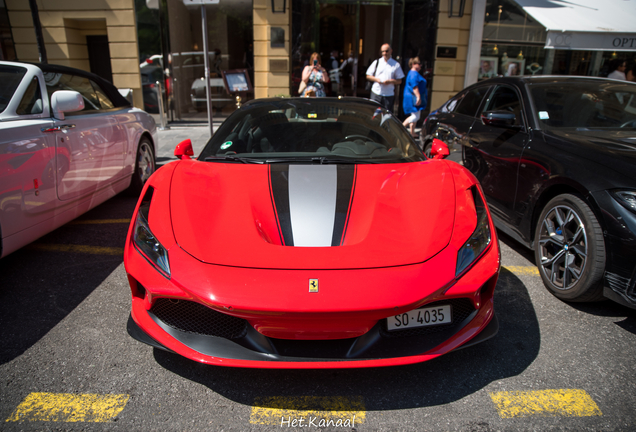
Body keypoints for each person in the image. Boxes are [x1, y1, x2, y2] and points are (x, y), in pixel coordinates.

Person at [366, 43, 405, 112]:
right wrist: (377, 79)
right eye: (382, 51)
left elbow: (399, 80)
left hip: (388, 94)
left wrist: (390, 81)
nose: (384, 53)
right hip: (376, 93)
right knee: (374, 113)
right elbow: (368, 76)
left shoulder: (395, 64)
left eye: (386, 51)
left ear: (391, 51)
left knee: (386, 115)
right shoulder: (377, 62)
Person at [402, 57, 427, 139]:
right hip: (413, 97)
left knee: (415, 114)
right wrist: (418, 97)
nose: (420, 66)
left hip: (412, 96)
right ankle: (401, 127)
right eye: (419, 64)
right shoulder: (414, 73)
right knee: (415, 116)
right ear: (413, 64)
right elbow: (414, 86)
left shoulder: (413, 73)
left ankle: (412, 132)